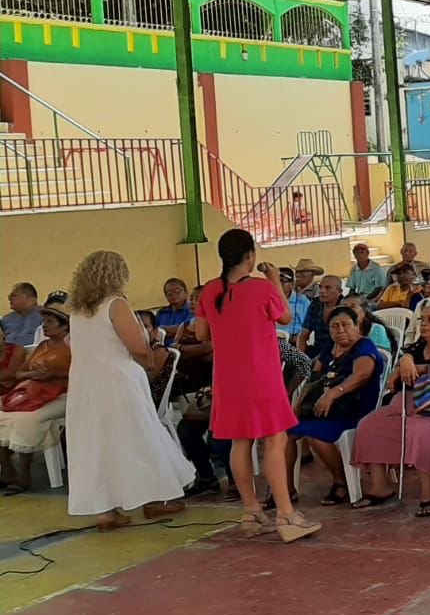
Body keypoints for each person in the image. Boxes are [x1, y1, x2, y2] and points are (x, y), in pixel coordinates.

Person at [192, 231, 319, 541]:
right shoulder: (261, 287)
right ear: (250, 256)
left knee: (240, 441)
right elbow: (286, 317)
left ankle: (251, 512)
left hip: (227, 378)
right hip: (261, 375)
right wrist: (275, 279)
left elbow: (200, 334)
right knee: (275, 441)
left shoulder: (210, 290)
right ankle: (287, 515)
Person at [57, 252, 192, 526]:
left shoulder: (78, 310)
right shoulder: (115, 304)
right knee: (139, 436)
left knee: (98, 443)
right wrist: (149, 361)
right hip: (117, 380)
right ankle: (155, 498)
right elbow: (137, 346)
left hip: (85, 382)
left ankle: (106, 511)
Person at [350, 297, 430, 517]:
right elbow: (398, 370)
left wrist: (410, 365)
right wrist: (404, 361)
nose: (424, 325)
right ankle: (380, 486)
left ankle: (429, 491)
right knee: (369, 425)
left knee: (420, 430)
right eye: (422, 320)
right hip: (411, 404)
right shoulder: (418, 346)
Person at [284, 306, 385, 506]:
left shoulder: (364, 346)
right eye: (335, 326)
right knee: (283, 433)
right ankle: (285, 488)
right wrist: (299, 402)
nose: (340, 330)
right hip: (323, 408)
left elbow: (361, 375)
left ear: (357, 326)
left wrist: (333, 393)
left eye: (346, 325)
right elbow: (314, 377)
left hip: (353, 410)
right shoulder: (330, 346)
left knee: (316, 436)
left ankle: (340, 481)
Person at [0, 306, 71, 494]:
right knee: (3, 414)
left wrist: (52, 375)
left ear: (65, 328)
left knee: (28, 419)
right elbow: (19, 373)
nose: (44, 326)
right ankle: (7, 470)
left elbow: (77, 376)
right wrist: (32, 374)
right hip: (33, 392)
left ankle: (24, 474)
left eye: (50, 322)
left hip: (63, 394)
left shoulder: (73, 349)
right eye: (44, 322)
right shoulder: (41, 346)